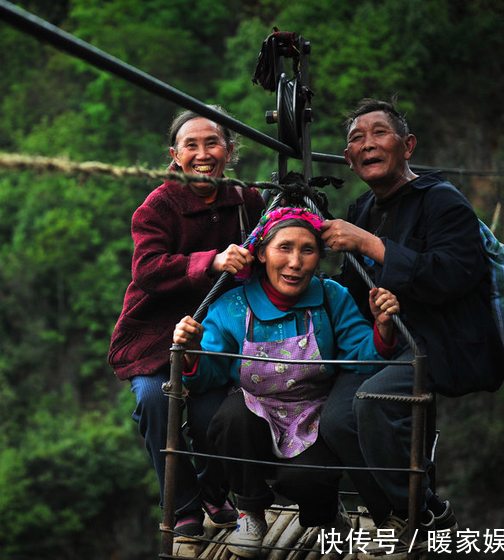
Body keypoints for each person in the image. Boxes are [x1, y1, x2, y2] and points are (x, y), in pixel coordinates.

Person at [319, 98, 504, 549]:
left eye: (379, 133)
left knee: (373, 403)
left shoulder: (442, 202)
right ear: (347, 160)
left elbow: (454, 273)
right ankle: (391, 512)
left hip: (438, 340)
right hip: (384, 340)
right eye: (356, 140)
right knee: (337, 421)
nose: (368, 145)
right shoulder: (364, 206)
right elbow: (351, 288)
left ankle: (423, 514)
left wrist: (371, 245)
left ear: (407, 145)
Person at [173, 207, 401, 558]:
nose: (295, 262)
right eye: (284, 248)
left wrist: (383, 328)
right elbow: (209, 375)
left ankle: (327, 513)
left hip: (314, 415)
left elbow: (361, 353)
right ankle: (250, 514)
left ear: (319, 257)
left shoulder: (330, 297)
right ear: (262, 252)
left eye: (307, 250)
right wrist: (190, 351)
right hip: (255, 417)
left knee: (305, 481)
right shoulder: (233, 305)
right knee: (230, 417)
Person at [107, 106, 266, 542]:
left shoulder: (245, 202)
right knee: (156, 401)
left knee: (214, 411)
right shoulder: (157, 207)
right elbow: (148, 270)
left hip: (216, 336)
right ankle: (183, 505)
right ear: (174, 155)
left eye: (212, 143)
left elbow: (272, 239)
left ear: (229, 151)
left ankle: (214, 492)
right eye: (191, 145)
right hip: (156, 335)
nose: (202, 153)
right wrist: (211, 261)